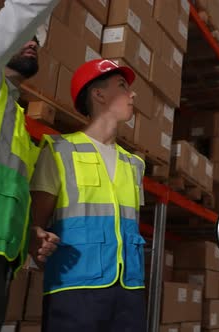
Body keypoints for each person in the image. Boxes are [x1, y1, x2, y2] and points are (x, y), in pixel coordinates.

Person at [30, 59, 147, 332]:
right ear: (99, 94)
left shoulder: (134, 165)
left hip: (129, 290)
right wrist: (35, 237)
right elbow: (35, 223)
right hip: (73, 290)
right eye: (122, 86)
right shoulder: (60, 151)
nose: (133, 94)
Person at [0, 1, 61, 331]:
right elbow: (18, 16)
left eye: (37, 39)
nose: (32, 41)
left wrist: (31, 235)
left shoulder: (19, 127)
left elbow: (7, 196)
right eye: (26, 35)